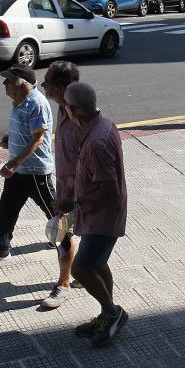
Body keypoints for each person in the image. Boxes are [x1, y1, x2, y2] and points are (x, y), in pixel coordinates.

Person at [56, 82, 128, 348]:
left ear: (73, 109)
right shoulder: (99, 125)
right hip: (97, 213)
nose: (63, 109)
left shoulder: (97, 141)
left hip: (103, 216)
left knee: (82, 268)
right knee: (97, 263)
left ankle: (112, 313)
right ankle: (107, 313)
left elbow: (109, 190)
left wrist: (73, 201)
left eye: (64, 105)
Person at [0, 64, 57, 263]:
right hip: (20, 170)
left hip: (36, 170)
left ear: (22, 84)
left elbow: (37, 140)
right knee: (7, 208)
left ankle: (66, 240)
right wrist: (10, 138)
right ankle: (0, 247)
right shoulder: (19, 101)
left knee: (54, 210)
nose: (5, 83)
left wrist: (13, 164)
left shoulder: (36, 103)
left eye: (9, 80)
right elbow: (26, 131)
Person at [36, 60, 83, 309]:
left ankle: (64, 284)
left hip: (79, 191)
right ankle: (84, 274)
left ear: (63, 87)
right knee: (69, 233)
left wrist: (72, 195)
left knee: (63, 234)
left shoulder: (79, 114)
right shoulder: (63, 108)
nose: (44, 86)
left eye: (48, 82)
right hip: (66, 185)